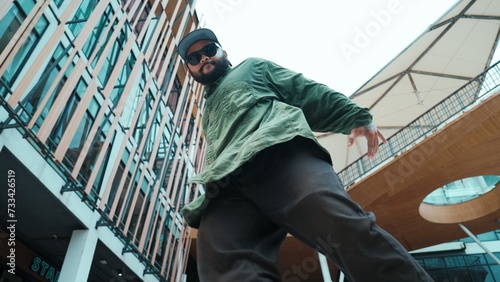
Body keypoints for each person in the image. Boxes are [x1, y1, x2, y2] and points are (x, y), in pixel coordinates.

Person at [178, 28, 433, 282]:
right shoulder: (207, 110)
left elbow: (303, 91)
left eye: (209, 50)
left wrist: (356, 117)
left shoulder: (251, 68)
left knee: (337, 222)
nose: (203, 58)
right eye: (193, 58)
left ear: (224, 52)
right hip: (228, 183)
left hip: (279, 152)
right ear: (190, 70)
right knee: (222, 261)